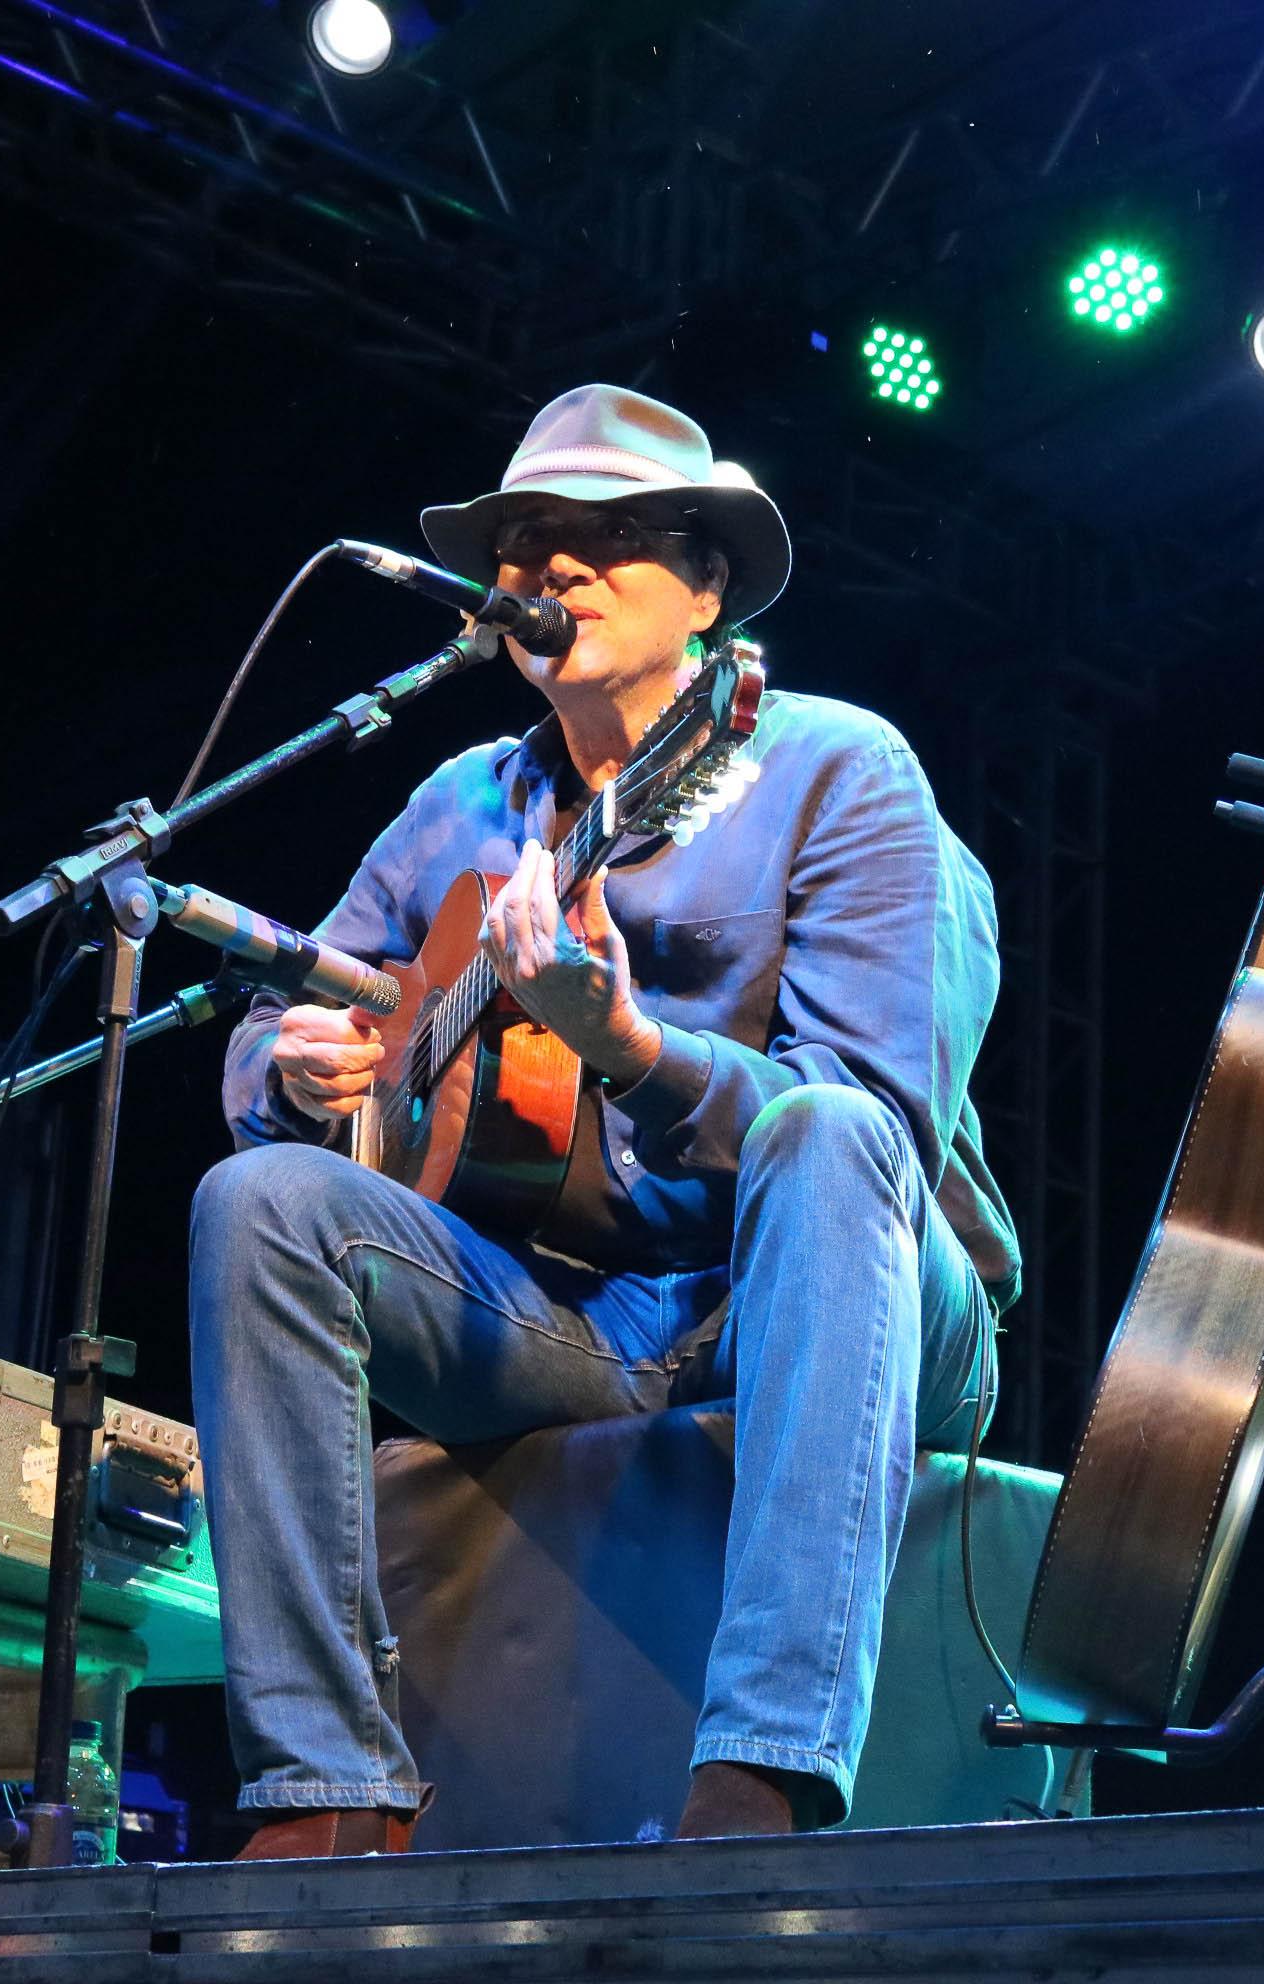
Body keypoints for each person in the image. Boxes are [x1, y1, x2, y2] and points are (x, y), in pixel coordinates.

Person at [192, 385, 1019, 1858]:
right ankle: (326, 1785)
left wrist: (632, 1050)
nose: (550, 565)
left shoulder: (839, 767)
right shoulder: (458, 807)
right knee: (255, 1206)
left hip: (846, 1303)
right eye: (522, 541)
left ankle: (760, 1775)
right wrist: (298, 1069)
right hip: (573, 1323)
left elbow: (881, 1125)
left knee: (825, 1137)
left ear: (707, 587)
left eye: (606, 535)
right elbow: (285, 1015)